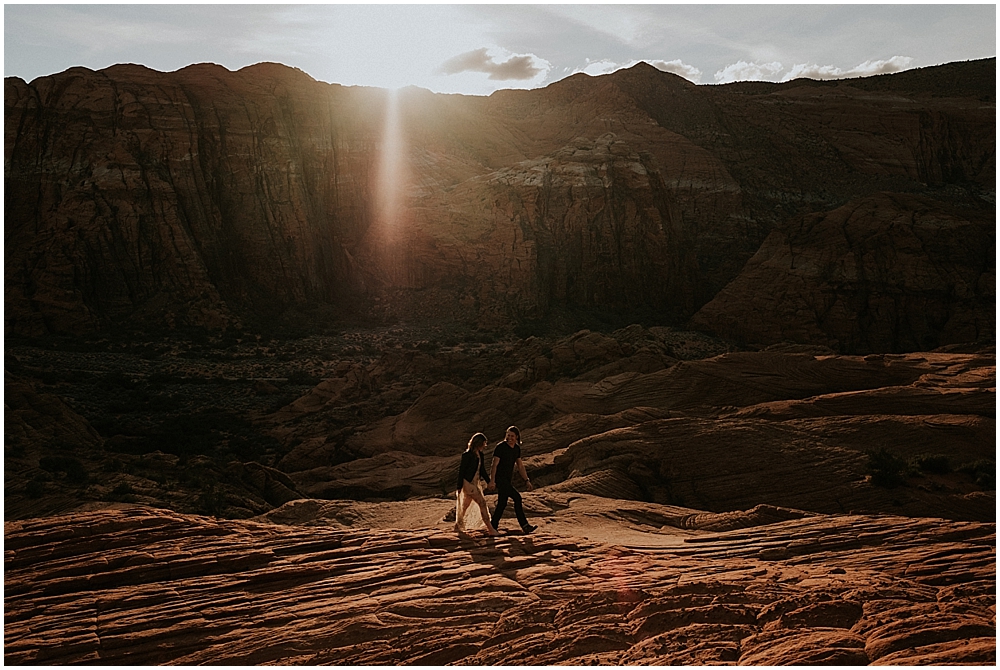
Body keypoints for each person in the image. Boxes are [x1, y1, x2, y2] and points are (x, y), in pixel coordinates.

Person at [487, 425, 538, 534]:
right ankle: (525, 526)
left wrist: (526, 480)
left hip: (507, 479)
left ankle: (493, 526)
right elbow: (494, 465)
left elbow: (520, 466)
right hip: (500, 479)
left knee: (502, 503)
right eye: (508, 435)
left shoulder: (516, 449)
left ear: (517, 437)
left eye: (512, 436)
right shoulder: (500, 447)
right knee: (517, 498)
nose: (510, 438)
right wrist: (492, 481)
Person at [455, 433, 499, 536]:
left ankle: (457, 527)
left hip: (475, 483)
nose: (485, 445)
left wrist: (489, 482)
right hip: (468, 484)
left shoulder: (480, 455)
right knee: (482, 503)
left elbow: (482, 470)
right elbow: (461, 471)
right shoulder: (467, 455)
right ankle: (490, 529)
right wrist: (459, 486)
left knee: (465, 506)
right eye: (484, 443)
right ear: (478, 443)